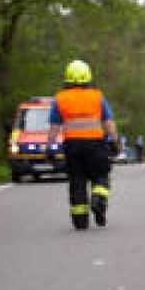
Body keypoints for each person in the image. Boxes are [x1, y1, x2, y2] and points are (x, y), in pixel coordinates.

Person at [48, 60, 118, 230]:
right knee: (101, 175)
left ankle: (80, 220)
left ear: (68, 77)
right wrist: (115, 141)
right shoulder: (97, 96)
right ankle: (99, 198)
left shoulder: (60, 99)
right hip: (96, 145)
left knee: (77, 182)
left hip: (72, 147)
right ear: (88, 76)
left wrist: (49, 147)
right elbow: (108, 123)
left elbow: (55, 128)